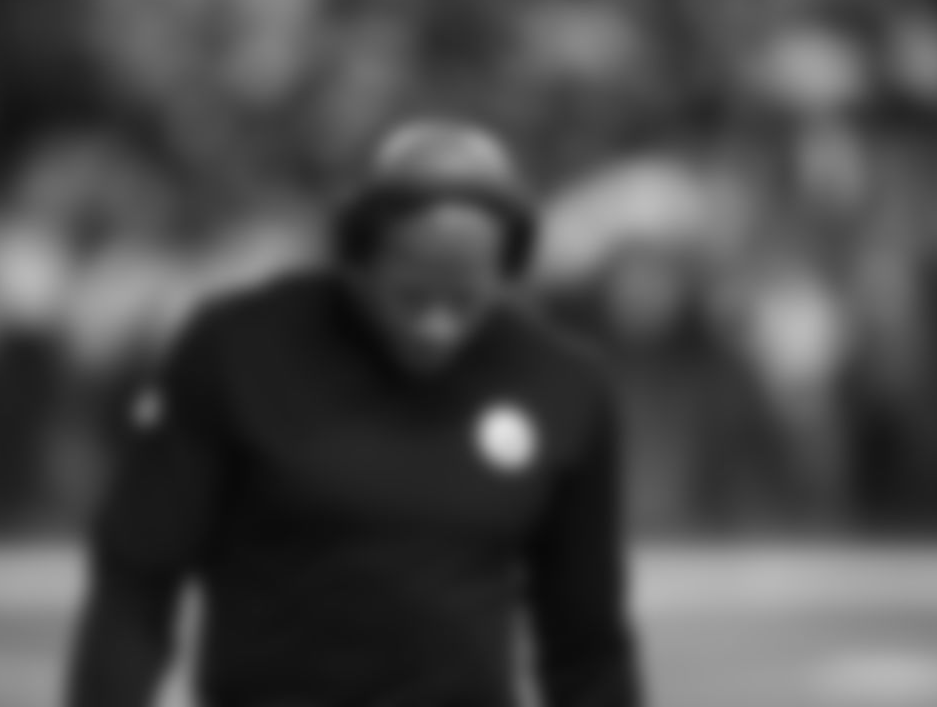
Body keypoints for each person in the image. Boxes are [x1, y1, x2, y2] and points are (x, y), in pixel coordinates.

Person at [68, 119, 643, 707]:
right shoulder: (238, 351)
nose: (437, 327)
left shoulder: (563, 386)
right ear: (358, 257)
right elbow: (137, 576)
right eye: (412, 296)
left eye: (464, 299)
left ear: (507, 270)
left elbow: (587, 643)